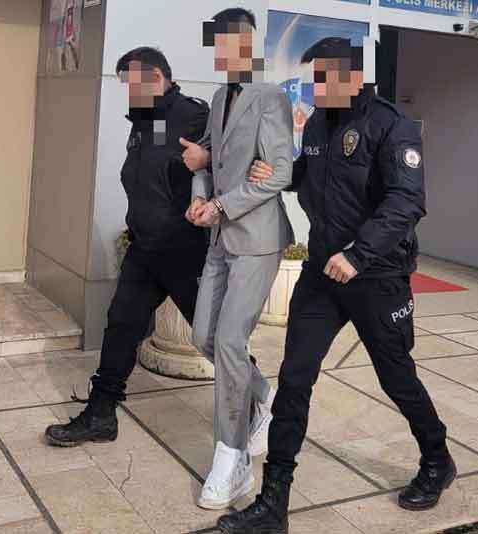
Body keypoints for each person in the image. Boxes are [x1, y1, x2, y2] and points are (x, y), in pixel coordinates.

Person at [217, 38, 455, 534]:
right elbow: (309, 175)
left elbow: (406, 201)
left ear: (354, 77)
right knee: (295, 379)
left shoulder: (391, 126)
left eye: (325, 78)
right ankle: (273, 502)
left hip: (377, 275)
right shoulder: (318, 123)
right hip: (323, 274)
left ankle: (437, 459)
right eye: (314, 78)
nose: (316, 87)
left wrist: (359, 254)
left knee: (396, 378)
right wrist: (279, 173)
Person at [44, 47, 209, 447]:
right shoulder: (145, 121)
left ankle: (257, 403)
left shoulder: (193, 116)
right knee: (121, 324)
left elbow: (231, 163)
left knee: (214, 334)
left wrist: (208, 161)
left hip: (183, 251)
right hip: (144, 249)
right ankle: (101, 414)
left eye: (132, 84)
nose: (128, 93)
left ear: (156, 77)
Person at [178, 7, 295, 510]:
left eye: (237, 42)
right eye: (221, 43)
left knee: (229, 339)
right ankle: (264, 397)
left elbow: (280, 172)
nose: (228, 52)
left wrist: (222, 205)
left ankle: (232, 457)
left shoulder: (270, 97)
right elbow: (206, 159)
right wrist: (199, 196)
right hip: (220, 239)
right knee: (203, 336)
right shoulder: (219, 97)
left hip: (257, 239)